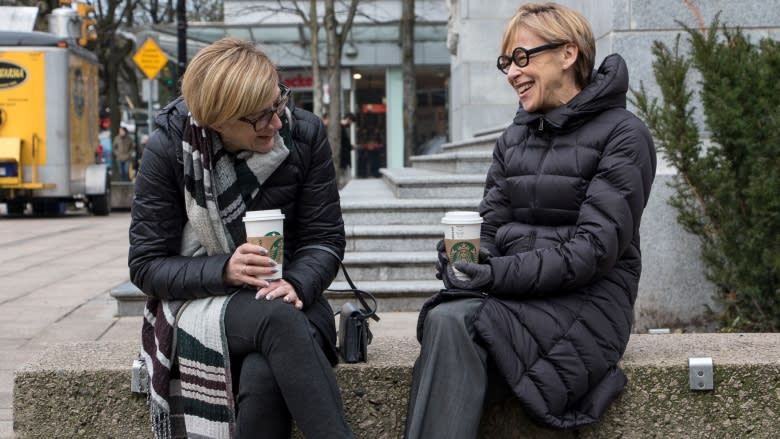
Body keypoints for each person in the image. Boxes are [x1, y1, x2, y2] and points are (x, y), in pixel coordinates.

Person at [405, 3, 656, 438]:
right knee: (449, 315)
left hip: (586, 305)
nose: (511, 73)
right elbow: (491, 226)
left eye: (522, 57)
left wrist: (492, 274)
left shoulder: (625, 134)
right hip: (517, 298)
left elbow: (593, 251)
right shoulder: (514, 137)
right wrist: (465, 258)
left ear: (568, 54)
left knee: (451, 322)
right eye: (507, 62)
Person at [129, 37, 354, 439]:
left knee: (263, 372)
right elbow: (145, 265)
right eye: (259, 117)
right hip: (202, 304)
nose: (277, 122)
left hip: (295, 299)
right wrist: (225, 269)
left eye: (278, 104)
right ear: (217, 119)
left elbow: (325, 238)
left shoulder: (305, 135)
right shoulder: (170, 149)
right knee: (277, 319)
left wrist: (297, 282)